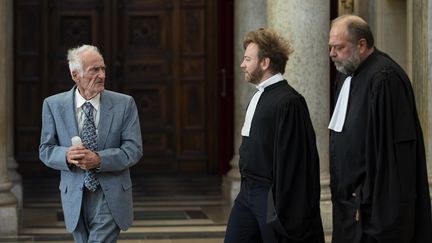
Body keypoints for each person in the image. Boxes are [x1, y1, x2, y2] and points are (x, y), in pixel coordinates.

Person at [328, 15, 432, 243]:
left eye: (339, 47)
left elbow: (389, 155)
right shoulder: (347, 75)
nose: (332, 54)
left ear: (362, 45)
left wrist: (365, 199)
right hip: (349, 206)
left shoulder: (385, 79)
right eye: (331, 47)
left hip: (370, 211)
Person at [224, 28, 324, 243]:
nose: (242, 65)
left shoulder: (289, 102)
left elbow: (295, 163)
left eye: (247, 59)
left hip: (270, 196)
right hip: (247, 193)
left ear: (265, 63)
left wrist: (279, 203)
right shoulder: (258, 96)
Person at [39, 44, 143, 243]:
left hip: (110, 193)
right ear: (75, 75)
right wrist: (66, 156)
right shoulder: (53, 105)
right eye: (94, 70)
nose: (102, 75)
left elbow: (133, 149)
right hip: (74, 196)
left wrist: (99, 159)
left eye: (103, 69)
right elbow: (46, 149)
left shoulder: (125, 103)